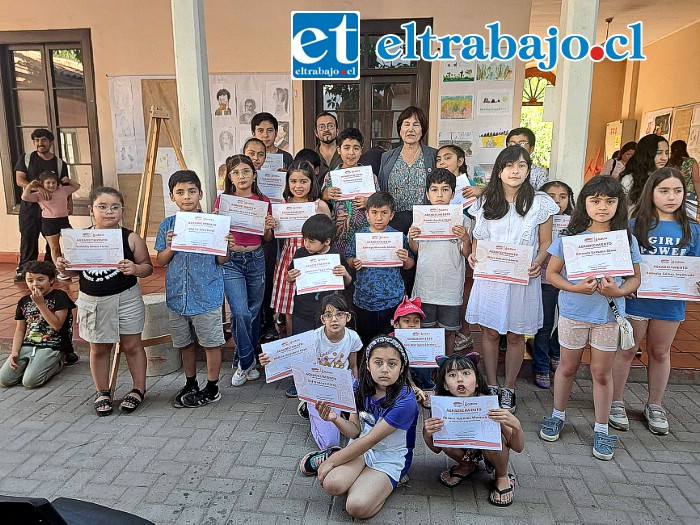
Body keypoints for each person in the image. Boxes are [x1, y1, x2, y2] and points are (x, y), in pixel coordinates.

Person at [539, 176, 641, 461]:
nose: (603, 207)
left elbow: (635, 278)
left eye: (610, 201)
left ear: (619, 205)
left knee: (600, 373)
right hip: (573, 314)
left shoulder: (624, 238)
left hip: (608, 316)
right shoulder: (570, 237)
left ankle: (601, 427)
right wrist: (575, 287)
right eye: (595, 201)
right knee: (567, 367)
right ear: (584, 203)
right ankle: (557, 414)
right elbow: (552, 274)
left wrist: (617, 290)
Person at [466, 146, 558, 413]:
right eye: (509, 166)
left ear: (528, 170)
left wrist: (538, 262)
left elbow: (546, 242)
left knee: (517, 335)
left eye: (521, 165)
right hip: (491, 279)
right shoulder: (484, 202)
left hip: (521, 279)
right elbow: (478, 238)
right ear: (499, 170)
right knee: (491, 333)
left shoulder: (540, 202)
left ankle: (509, 388)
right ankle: (492, 384)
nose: (515, 171)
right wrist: (474, 256)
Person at [611, 168, 700, 435]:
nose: (671, 197)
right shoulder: (632, 225)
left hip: (670, 303)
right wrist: (622, 283)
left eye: (677, 191)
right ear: (651, 192)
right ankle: (616, 401)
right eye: (664, 191)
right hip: (636, 301)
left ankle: (655, 404)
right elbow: (619, 263)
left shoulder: (693, 229)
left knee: (661, 353)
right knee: (626, 351)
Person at [56, 187, 153, 416]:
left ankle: (138, 389)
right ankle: (102, 391)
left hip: (127, 299)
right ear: (91, 210)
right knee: (99, 348)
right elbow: (73, 274)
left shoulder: (130, 238)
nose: (109, 212)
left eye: (114, 207)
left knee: (132, 345)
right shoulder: (78, 239)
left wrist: (135, 268)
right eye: (102, 207)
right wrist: (63, 268)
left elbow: (148, 267)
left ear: (122, 210)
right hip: (92, 301)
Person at [306, 335, 419, 519]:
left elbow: (370, 440)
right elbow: (355, 431)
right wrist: (334, 418)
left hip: (389, 457)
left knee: (356, 508)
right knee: (331, 484)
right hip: (361, 449)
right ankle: (362, 477)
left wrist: (332, 462)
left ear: (401, 368)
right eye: (378, 362)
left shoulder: (405, 401)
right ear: (367, 365)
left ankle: (386, 480)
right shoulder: (359, 387)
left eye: (392, 364)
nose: (384, 369)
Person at [155, 170, 233, 408]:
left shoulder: (212, 223)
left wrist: (225, 246)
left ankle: (212, 386)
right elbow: (160, 260)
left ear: (200, 194)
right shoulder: (168, 225)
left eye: (191, 191)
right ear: (172, 196)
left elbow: (222, 261)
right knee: (185, 343)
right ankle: (190, 383)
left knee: (210, 343)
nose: (186, 197)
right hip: (178, 296)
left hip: (206, 295)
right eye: (180, 192)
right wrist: (171, 246)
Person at [261, 294, 361, 454]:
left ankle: (341, 410)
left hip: (342, 384)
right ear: (322, 319)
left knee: (360, 427)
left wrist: (355, 396)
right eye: (328, 315)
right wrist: (270, 359)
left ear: (347, 317)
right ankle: (308, 404)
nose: (334, 319)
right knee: (330, 443)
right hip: (319, 386)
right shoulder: (313, 338)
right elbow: (289, 357)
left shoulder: (353, 337)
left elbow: (354, 366)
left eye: (339, 314)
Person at [422, 353, 524, 507]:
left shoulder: (489, 406)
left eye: (466, 373)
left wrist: (516, 425)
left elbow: (517, 447)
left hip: (490, 451)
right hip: (463, 447)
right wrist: (426, 433)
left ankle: (502, 476)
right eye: (452, 375)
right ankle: (466, 466)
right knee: (446, 440)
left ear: (477, 381)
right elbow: (437, 448)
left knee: (495, 441)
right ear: (444, 384)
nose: (460, 379)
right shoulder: (442, 408)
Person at [214, 155, 275, 387]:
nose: (241, 176)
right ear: (230, 177)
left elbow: (267, 238)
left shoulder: (262, 200)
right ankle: (247, 362)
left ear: (254, 174)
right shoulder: (224, 200)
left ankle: (241, 359)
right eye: (236, 172)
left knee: (253, 311)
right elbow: (217, 234)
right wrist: (220, 230)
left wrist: (269, 228)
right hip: (232, 260)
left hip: (256, 258)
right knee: (240, 312)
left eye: (246, 171)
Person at [409, 169, 472, 357]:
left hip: (450, 287)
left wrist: (466, 239)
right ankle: (428, 367)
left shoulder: (464, 220)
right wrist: (412, 237)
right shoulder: (419, 218)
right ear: (427, 193)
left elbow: (467, 254)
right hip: (426, 286)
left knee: (449, 331)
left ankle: (447, 365)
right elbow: (416, 250)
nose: (439, 195)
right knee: (426, 329)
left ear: (453, 194)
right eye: (434, 190)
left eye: (445, 190)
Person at [271, 161, 331, 342]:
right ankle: (293, 348)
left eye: (303, 181)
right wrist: (272, 225)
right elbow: (276, 237)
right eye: (293, 181)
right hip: (289, 258)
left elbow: (328, 236)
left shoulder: (319, 205)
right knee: (289, 308)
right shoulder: (282, 205)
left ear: (312, 182)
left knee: (316, 306)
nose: (298, 186)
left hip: (314, 260)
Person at [346, 192, 415, 344]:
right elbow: (349, 257)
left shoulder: (397, 236)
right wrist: (353, 262)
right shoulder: (360, 236)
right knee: (365, 341)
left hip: (391, 299)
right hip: (364, 299)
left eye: (384, 213)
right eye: (374, 212)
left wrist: (405, 258)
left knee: (390, 341)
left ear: (391, 215)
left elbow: (410, 264)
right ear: (367, 214)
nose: (379, 217)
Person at [0, 261, 75, 389]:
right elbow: (20, 330)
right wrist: (15, 352)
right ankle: (32, 365)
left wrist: (40, 304)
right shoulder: (23, 301)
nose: (35, 284)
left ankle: (59, 361)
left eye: (40, 280)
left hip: (53, 346)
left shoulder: (60, 297)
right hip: (29, 344)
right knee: (4, 379)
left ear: (51, 280)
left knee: (30, 382)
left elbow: (57, 325)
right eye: (30, 280)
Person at [531, 180, 575, 389]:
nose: (557, 201)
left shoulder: (576, 222)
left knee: (565, 322)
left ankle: (556, 354)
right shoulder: (536, 219)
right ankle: (540, 365)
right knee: (544, 324)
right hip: (544, 280)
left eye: (562, 196)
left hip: (570, 281)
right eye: (551, 196)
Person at [435, 144, 478, 352]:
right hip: (439, 250)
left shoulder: (470, 186)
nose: (442, 162)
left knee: (465, 290)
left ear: (460, 161)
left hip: (463, 243)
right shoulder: (435, 195)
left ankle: (466, 331)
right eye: (439, 159)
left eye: (448, 157)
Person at [14, 128, 69, 281]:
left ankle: (49, 269)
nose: (40, 143)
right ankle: (25, 270)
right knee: (28, 238)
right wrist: (38, 187)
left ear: (50, 142)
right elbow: (19, 180)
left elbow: (65, 186)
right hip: (29, 208)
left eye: (43, 140)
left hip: (52, 210)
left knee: (52, 241)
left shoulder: (59, 164)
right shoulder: (25, 159)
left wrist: (68, 205)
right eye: (37, 140)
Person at [285, 214, 352, 335]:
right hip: (302, 311)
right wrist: (290, 277)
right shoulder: (300, 254)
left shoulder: (336, 256)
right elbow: (289, 279)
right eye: (304, 239)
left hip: (326, 313)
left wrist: (345, 274)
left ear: (327, 241)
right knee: (304, 344)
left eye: (311, 241)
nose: (306, 244)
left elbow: (347, 283)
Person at [378, 106, 437, 236]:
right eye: (406, 124)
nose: (410, 129)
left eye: (416, 125)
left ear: (422, 130)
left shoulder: (433, 155)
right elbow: (382, 188)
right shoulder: (387, 157)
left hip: (423, 220)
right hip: (393, 220)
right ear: (400, 129)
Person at [322, 128, 380, 257]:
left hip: (365, 235)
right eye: (346, 148)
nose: (351, 153)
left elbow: (380, 204)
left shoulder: (370, 176)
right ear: (339, 150)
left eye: (356, 148)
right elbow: (320, 205)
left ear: (361, 150)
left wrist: (369, 203)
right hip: (339, 237)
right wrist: (324, 195)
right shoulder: (330, 177)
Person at [242, 138, 277, 342]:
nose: (255, 158)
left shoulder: (273, 178)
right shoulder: (236, 180)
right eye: (251, 153)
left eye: (260, 154)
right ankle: (254, 327)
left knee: (267, 280)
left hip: (267, 239)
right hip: (243, 243)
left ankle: (268, 322)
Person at [21, 170, 81, 281]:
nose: (51, 185)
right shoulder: (40, 194)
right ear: (42, 184)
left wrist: (68, 180)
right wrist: (30, 185)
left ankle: (74, 266)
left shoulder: (63, 190)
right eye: (48, 183)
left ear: (57, 183)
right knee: (55, 247)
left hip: (63, 221)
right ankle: (62, 271)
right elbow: (25, 197)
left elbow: (77, 187)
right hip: (49, 223)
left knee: (72, 242)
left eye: (53, 182)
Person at [389, 295, 435, 408]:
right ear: (395, 324)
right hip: (400, 374)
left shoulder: (424, 338)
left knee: (426, 356)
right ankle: (404, 390)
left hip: (419, 371)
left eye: (416, 321)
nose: (412, 324)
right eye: (406, 321)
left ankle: (427, 388)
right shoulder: (390, 340)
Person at [620, 134, 669, 208]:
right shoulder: (629, 180)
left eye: (667, 153)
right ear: (646, 154)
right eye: (659, 153)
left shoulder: (668, 178)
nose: (664, 158)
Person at [314, 112, 342, 182]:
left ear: (337, 131)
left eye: (330, 126)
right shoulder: (310, 158)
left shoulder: (347, 155)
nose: (326, 130)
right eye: (321, 127)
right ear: (316, 133)